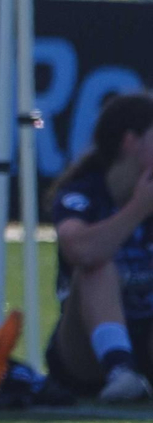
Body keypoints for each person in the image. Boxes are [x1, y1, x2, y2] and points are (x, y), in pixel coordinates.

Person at [46, 92, 153, 402]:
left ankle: (133, 374)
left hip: (146, 335)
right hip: (84, 351)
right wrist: (138, 209)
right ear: (130, 141)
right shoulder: (82, 192)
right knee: (97, 266)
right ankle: (120, 371)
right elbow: (79, 250)